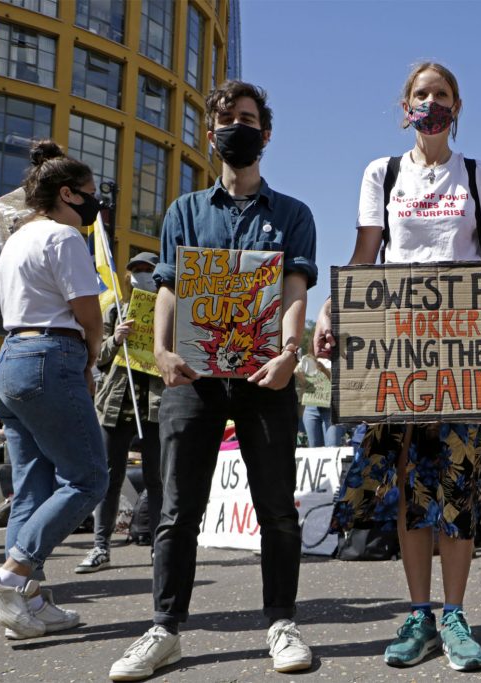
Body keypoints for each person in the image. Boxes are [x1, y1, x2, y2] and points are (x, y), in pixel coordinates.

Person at [317, 62, 481, 672]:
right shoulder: (381, 175)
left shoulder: (479, 176)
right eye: (422, 93)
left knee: (456, 491)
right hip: (400, 354)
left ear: (458, 106)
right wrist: (331, 306)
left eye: (443, 94)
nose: (432, 102)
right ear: (405, 104)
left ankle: (455, 615)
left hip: (469, 356)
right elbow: (364, 257)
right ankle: (418, 614)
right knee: (410, 487)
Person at [109, 80, 317, 681]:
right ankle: (164, 629)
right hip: (193, 380)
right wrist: (165, 352)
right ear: (212, 134)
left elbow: (294, 290)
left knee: (277, 509)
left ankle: (281, 622)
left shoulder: (293, 215)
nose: (237, 127)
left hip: (265, 379)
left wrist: (289, 354)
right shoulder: (184, 212)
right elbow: (169, 287)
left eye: (247, 118)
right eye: (227, 118)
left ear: (266, 133)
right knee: (177, 510)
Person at [0, 141, 108, 639]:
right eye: (92, 195)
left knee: (32, 485)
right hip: (51, 358)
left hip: (11, 361)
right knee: (88, 477)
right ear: (67, 193)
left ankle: (24, 603)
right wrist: (91, 356)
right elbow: (88, 313)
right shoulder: (65, 238)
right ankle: (10, 578)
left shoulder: (18, 239)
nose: (97, 205)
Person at [76, 252, 164, 573]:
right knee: (109, 480)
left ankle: (159, 547)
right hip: (117, 405)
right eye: (136, 270)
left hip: (155, 408)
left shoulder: (171, 314)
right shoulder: (116, 311)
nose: (141, 275)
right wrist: (116, 338)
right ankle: (101, 547)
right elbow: (97, 358)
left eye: (148, 270)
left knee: (156, 480)